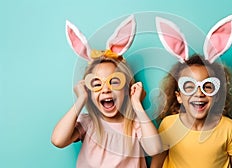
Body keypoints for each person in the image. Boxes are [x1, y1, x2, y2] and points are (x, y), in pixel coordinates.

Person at [51, 15, 161, 168]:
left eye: (114, 82)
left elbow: (155, 148)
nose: (106, 89)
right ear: (89, 90)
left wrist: (136, 104)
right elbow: (58, 140)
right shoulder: (88, 123)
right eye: (96, 84)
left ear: (127, 89)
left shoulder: (135, 124)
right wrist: (81, 99)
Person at [151, 15, 232, 168]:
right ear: (179, 97)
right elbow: (156, 164)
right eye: (189, 86)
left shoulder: (229, 128)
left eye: (207, 86)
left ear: (216, 95)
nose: (199, 93)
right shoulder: (168, 125)